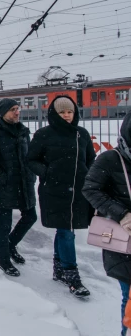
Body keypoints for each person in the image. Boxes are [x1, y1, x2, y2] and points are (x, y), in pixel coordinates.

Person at [27, 96, 95, 297]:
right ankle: (72, 276)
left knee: (65, 229)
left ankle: (59, 268)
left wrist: (87, 175)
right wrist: (47, 172)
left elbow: (91, 159)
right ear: (54, 114)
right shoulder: (43, 134)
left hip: (77, 190)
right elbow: (31, 159)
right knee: (67, 231)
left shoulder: (81, 134)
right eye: (62, 112)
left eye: (70, 112)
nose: (66, 115)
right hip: (54, 190)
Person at [83, 113, 131, 334]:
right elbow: (90, 189)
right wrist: (122, 214)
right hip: (125, 242)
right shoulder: (110, 159)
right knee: (130, 298)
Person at [0, 98, 37, 277]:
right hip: (6, 184)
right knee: (4, 223)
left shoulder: (23, 131)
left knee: (31, 216)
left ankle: (10, 245)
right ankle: (4, 260)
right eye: (13, 109)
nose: (17, 112)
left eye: (17, 109)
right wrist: (3, 177)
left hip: (25, 182)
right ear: (3, 112)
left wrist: (31, 173)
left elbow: (29, 155)